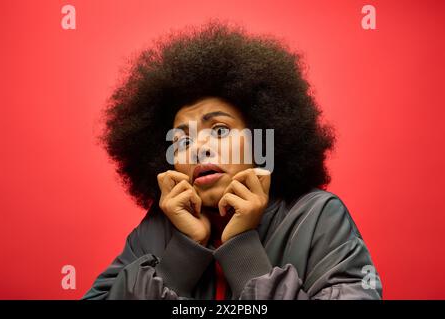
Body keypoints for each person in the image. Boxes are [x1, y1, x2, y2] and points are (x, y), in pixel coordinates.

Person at [82, 21, 382, 300]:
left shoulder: (317, 216)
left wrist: (242, 249)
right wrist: (184, 251)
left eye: (221, 131)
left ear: (262, 137)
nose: (198, 148)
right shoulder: (157, 229)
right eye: (182, 140)